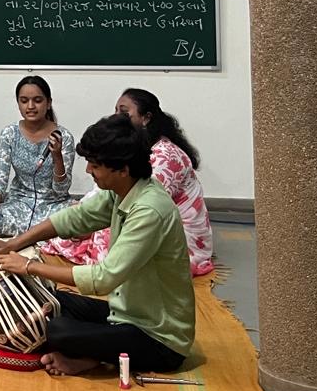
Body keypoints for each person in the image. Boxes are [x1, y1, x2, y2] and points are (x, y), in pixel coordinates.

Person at [0, 113, 195, 376]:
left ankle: (94, 357)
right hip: (124, 312)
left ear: (123, 169)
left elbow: (103, 279)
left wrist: (29, 266)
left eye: (95, 165)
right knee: (47, 298)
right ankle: (94, 354)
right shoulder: (124, 189)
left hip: (158, 337)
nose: (88, 170)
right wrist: (14, 244)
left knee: (57, 330)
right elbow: (76, 218)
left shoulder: (149, 210)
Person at [41, 87, 214, 276]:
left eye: (123, 113)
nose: (116, 117)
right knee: (68, 222)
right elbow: (106, 195)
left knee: (104, 245)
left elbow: (137, 205)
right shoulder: (134, 148)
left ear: (146, 118)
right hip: (132, 213)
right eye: (115, 111)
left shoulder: (167, 157)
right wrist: (82, 212)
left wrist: (30, 266)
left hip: (175, 236)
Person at [0, 75, 75, 237]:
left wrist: (57, 156)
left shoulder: (63, 137)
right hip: (19, 204)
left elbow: (61, 191)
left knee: (75, 221)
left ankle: (32, 234)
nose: (30, 106)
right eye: (24, 101)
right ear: (18, 104)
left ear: (48, 103)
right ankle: (42, 235)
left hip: (53, 205)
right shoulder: (9, 133)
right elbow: (0, 177)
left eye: (37, 100)